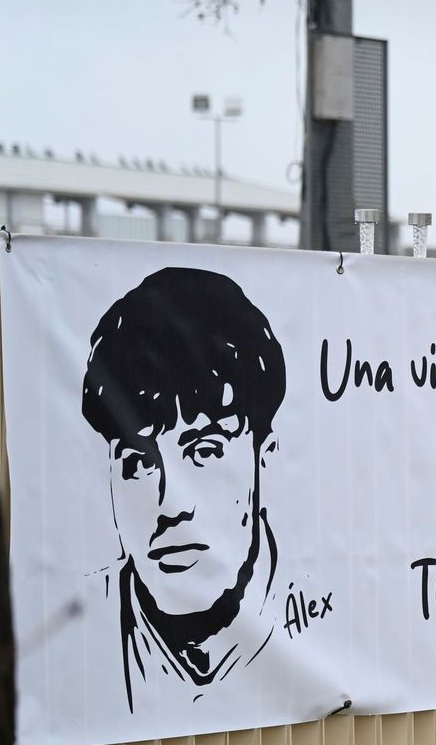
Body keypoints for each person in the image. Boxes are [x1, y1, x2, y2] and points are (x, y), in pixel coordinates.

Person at [81, 266, 286, 712]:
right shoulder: (73, 632)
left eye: (205, 452)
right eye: (137, 463)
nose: (170, 504)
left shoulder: (324, 613)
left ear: (263, 459)